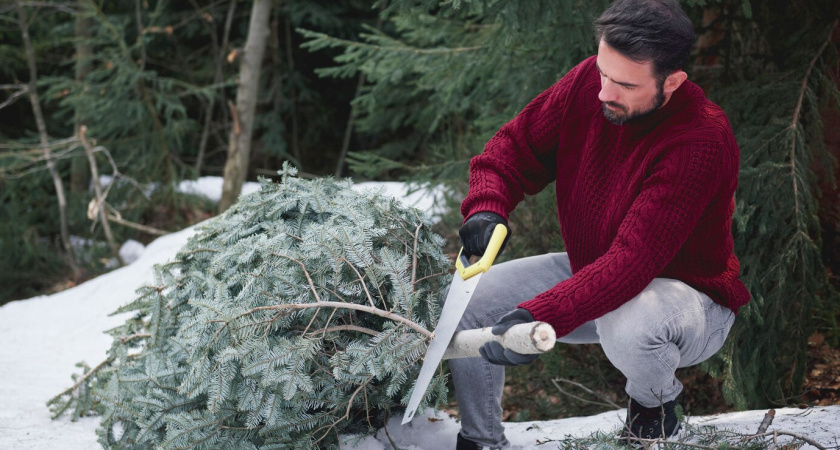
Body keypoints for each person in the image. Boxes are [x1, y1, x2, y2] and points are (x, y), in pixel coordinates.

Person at [451, 0, 751, 448]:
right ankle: (481, 441)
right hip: (595, 272)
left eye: (625, 84)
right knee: (473, 300)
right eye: (603, 72)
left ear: (672, 82)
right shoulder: (591, 83)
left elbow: (633, 263)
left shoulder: (700, 139)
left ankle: (657, 408)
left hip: (686, 303)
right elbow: (513, 148)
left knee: (632, 321)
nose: (604, 92)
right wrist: (487, 206)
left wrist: (538, 316)